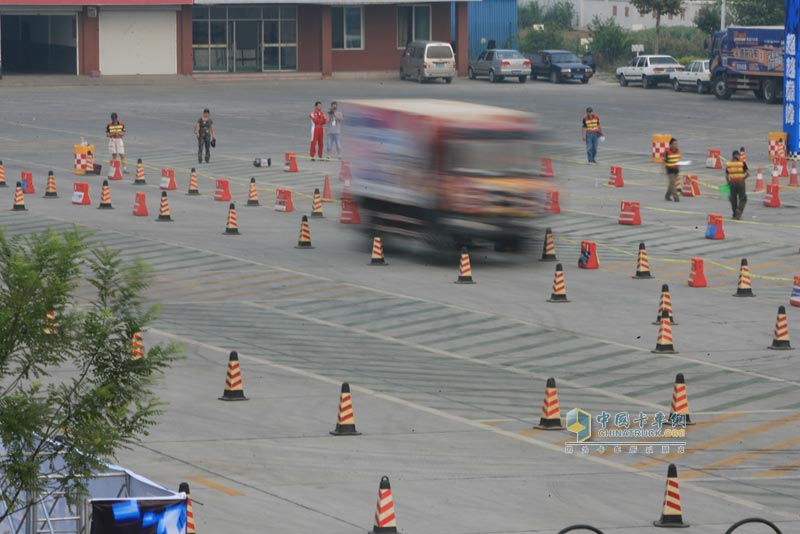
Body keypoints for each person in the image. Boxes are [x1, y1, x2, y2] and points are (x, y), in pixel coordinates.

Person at [726, 149, 749, 219]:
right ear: (738, 156)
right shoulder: (742, 163)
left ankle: (735, 213)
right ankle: (739, 210)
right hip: (741, 182)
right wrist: (743, 178)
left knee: (733, 198)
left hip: (732, 182)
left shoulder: (728, 164)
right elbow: (748, 173)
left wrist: (728, 182)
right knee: (743, 198)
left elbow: (726, 176)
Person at [664, 137, 681, 202]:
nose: (676, 145)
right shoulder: (667, 152)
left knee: (671, 184)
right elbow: (664, 161)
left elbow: (678, 159)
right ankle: (676, 197)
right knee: (673, 184)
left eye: (676, 143)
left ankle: (667, 195)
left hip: (676, 169)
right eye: (674, 143)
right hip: (669, 169)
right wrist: (663, 169)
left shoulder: (678, 151)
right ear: (670, 145)